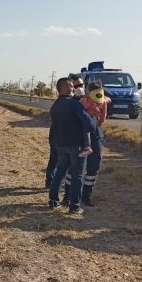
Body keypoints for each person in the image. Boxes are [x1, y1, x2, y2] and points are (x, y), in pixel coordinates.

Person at [48, 78, 97, 214]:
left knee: (59, 174)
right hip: (77, 146)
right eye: (71, 86)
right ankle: (74, 206)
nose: (74, 88)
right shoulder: (73, 103)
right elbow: (89, 124)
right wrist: (93, 118)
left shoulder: (55, 105)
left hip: (61, 145)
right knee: (77, 176)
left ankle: (53, 201)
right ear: (64, 88)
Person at [45, 74, 86, 188]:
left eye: (81, 85)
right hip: (58, 134)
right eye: (76, 85)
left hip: (66, 136)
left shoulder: (79, 98)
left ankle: (55, 185)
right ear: (70, 85)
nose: (78, 88)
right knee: (55, 159)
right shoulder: (68, 100)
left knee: (62, 163)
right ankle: (51, 182)